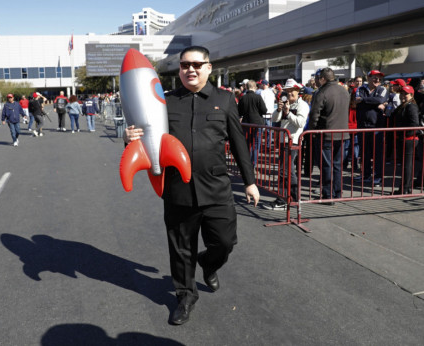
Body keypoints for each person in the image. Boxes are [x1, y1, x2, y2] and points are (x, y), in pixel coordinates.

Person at [124, 46, 259, 325]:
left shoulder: (225, 99)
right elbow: (145, 137)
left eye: (198, 64)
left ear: (209, 68)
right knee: (181, 249)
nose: (191, 69)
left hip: (216, 188)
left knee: (224, 242)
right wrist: (129, 138)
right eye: (185, 65)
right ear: (180, 69)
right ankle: (185, 296)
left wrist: (250, 182)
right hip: (178, 189)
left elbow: (238, 143)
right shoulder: (164, 102)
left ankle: (209, 264)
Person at [263, 79, 309, 210]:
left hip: (293, 140)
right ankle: (293, 198)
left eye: (291, 91)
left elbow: (301, 123)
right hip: (284, 140)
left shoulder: (302, 105)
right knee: (288, 171)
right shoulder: (286, 103)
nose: (288, 94)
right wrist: (279, 109)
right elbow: (274, 119)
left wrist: (288, 113)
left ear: (297, 91)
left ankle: (284, 199)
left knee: (285, 171)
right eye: (287, 91)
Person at [309, 67, 350, 202]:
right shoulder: (344, 91)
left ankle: (328, 193)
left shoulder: (323, 92)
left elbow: (314, 115)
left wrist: (312, 131)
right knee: (337, 164)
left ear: (322, 79)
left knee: (327, 165)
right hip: (342, 133)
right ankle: (337, 192)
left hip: (326, 133)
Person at [355, 70, 387, 186]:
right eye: (374, 77)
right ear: (368, 78)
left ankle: (378, 176)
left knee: (377, 153)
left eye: (379, 78)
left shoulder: (382, 89)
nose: (377, 80)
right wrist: (374, 104)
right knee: (364, 153)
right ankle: (366, 175)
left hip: (377, 127)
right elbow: (357, 101)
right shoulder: (361, 89)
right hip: (363, 126)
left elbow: (379, 100)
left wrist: (363, 100)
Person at [392, 85, 420, 194]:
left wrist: (404, 134)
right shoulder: (404, 105)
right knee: (406, 164)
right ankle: (406, 188)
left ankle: (404, 188)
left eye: (406, 93)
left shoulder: (411, 106)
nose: (403, 95)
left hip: (409, 139)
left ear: (411, 95)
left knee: (407, 165)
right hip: (405, 138)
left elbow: (414, 124)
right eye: (402, 93)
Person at [238, 79, 267, 168]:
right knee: (256, 145)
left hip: (246, 123)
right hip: (257, 123)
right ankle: (253, 164)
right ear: (255, 87)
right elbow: (264, 110)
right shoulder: (258, 97)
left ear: (246, 87)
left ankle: (246, 164)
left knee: (247, 144)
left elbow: (239, 111)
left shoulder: (243, 97)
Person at [259, 80, 276, 149]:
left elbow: (261, 103)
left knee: (262, 130)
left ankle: (262, 145)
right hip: (271, 113)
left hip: (264, 113)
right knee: (269, 130)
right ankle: (268, 145)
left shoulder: (262, 92)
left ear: (263, 85)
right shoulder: (272, 92)